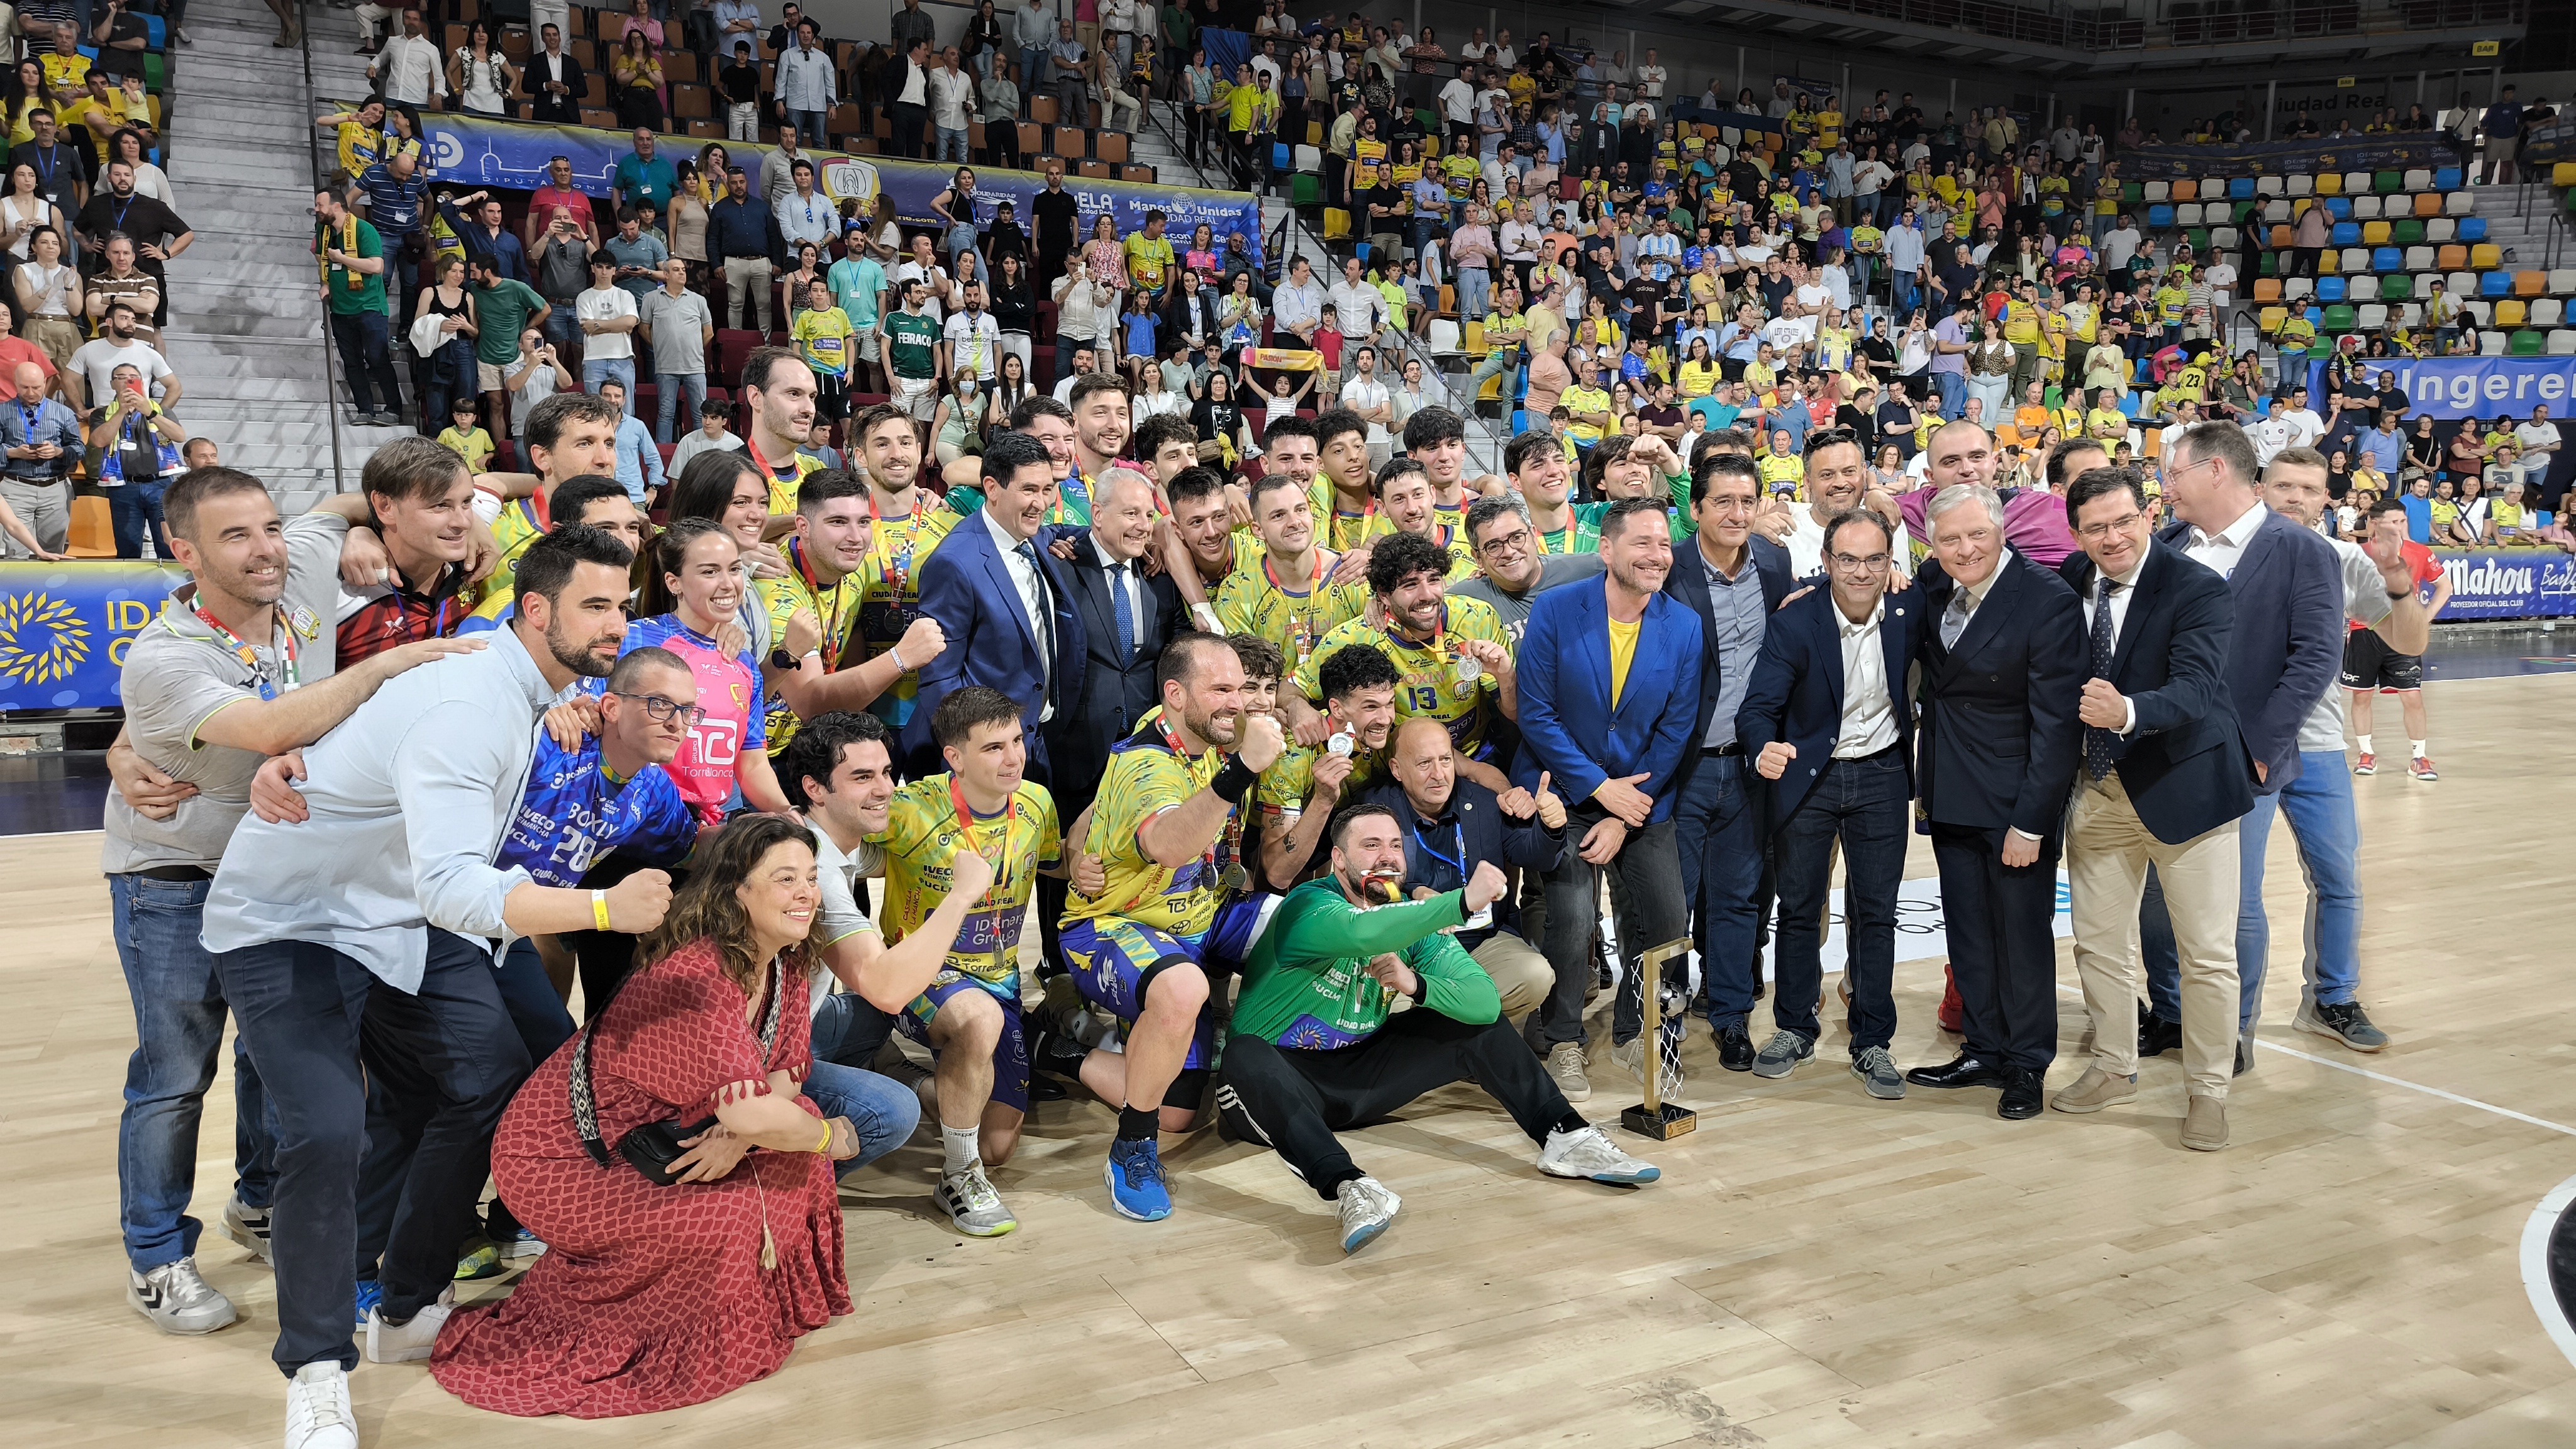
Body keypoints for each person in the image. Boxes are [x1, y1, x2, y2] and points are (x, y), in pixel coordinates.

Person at [203, 523, 669, 1448]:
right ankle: (316, 1369)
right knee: (329, 1130)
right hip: (292, 923)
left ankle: (407, 1307)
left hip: (397, 918)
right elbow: (455, 886)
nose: (620, 625)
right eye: (597, 606)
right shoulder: (473, 703)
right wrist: (606, 911)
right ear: (536, 610)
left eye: (623, 604)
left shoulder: (523, 685)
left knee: (489, 1083)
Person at [103, 469, 474, 1336]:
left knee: (278, 1060)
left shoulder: (298, 560)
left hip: (285, 878)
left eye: (269, 527)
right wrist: (394, 660)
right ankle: (157, 1257)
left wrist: (357, 531)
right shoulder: (163, 655)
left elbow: (354, 498)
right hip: (178, 878)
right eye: (236, 537)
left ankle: (260, 1203)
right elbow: (274, 730)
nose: (265, 547)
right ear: (184, 554)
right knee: (173, 1078)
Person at [424, 816, 850, 1418]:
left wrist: (739, 1138)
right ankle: (606, 1330)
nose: (807, 892)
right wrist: (828, 1136)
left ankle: (734, 1310)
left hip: (663, 1132)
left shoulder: (785, 959)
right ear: (737, 890)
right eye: (786, 879)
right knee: (732, 1209)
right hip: (563, 1157)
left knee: (792, 1153)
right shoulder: (698, 971)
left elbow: (785, 1075)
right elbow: (757, 1108)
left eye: (811, 877)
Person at [1213, 806, 1658, 1255]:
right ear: (1339, 860)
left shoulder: (1412, 918)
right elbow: (1363, 932)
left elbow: (1484, 1005)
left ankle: (1564, 1135)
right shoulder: (1306, 905)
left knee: (1475, 1025)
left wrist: (1417, 984)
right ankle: (1349, 1186)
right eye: (1371, 846)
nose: (1386, 856)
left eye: (1394, 846)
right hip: (1273, 1087)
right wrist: (1462, 902)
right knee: (1243, 1054)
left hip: (1360, 1074)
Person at [2051, 465, 2253, 1151]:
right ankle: (2112, 1067)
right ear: (2074, 533)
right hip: (2099, 792)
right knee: (2098, 945)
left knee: (2205, 954)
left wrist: (2128, 710)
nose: (2111, 538)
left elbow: (2196, 689)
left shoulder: (2196, 586)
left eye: (2122, 521)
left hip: (2185, 791)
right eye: (2095, 528)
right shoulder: (2066, 587)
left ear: (2147, 513)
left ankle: (2208, 1092)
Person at [2133, 423, 2343, 1076]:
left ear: (2216, 470)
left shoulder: (2299, 549)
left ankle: (2232, 1031)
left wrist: (2256, 751)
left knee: (2235, 902)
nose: (2166, 487)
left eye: (2175, 474)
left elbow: (2313, 660)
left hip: (2243, 758)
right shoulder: (2166, 544)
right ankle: (2170, 1014)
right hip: (2162, 750)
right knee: (2157, 902)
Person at [1060, 631, 1281, 1220]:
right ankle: (1131, 1143)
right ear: (1178, 694)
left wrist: (1076, 843)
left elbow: (1097, 805)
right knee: (1185, 997)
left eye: (1241, 688)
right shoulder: (1149, 762)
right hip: (1113, 924)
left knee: (1307, 917)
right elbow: (1168, 845)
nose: (1238, 702)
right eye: (1222, 689)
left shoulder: (1188, 728)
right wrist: (1241, 772)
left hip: (1199, 916)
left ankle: (1285, 1074)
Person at [1901, 484, 2085, 1119]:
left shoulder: (2047, 600)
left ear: (2001, 529)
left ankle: (2028, 1064)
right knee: (1970, 934)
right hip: (1950, 791)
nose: (1964, 549)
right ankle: (1983, 1048)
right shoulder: (1928, 585)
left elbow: (2057, 727)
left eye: (1976, 534)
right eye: (1948, 539)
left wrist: (2032, 822)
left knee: (2022, 938)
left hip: (2015, 802)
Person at [1513, 499, 1703, 1101]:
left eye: (1664, 545)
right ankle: (1564, 1040)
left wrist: (1627, 811)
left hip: (1645, 796)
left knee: (1668, 920)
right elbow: (1538, 716)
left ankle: (1637, 1032)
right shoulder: (1557, 610)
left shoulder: (1685, 625)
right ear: (1608, 549)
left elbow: (1677, 729)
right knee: (1570, 918)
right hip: (1565, 790)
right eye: (1642, 543)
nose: (1656, 555)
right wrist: (1599, 789)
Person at [1735, 506, 1921, 1099]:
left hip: (1883, 776)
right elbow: (1757, 708)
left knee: (1877, 913)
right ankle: (1794, 1028)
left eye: (1874, 560)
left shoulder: (1909, 609)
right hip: (1809, 778)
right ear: (1827, 562)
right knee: (1798, 908)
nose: (1861, 571)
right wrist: (1763, 747)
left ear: (1890, 563)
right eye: (1848, 560)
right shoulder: (1796, 621)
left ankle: (1873, 1041)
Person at [2259, 457, 2434, 1053]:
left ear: (2325, 500)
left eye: (2308, 490)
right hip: (2242, 747)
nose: (2294, 498)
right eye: (2283, 485)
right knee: (2232, 892)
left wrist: (2397, 581)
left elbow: (2409, 642)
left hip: (2319, 745)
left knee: (2339, 882)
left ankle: (2332, 1000)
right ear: (2260, 487)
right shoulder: (2229, 553)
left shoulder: (2344, 559)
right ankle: (2222, 1017)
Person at [1657, 453, 1793, 1070]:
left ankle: (1732, 1018)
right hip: (1682, 767)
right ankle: (1664, 1019)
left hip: (1748, 766)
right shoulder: (1669, 567)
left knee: (1739, 900)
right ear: (1696, 510)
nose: (1737, 514)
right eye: (1723, 502)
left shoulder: (1774, 561)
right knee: (1672, 903)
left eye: (1747, 502)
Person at [1358, 714, 1565, 1024]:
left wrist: (1552, 827)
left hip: (1480, 939)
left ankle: (1441, 1028)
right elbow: (1362, 880)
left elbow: (1532, 855)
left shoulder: (1482, 803)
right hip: (1411, 944)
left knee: (1536, 976)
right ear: (1397, 770)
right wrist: (1413, 893)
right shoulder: (1374, 811)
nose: (1439, 774)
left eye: (1445, 760)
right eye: (1424, 763)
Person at [906, 432, 1086, 779]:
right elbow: (939, 681)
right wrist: (972, 757)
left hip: (1035, 743)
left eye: (1047, 489)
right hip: (983, 759)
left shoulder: (1032, 535)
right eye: (1029, 490)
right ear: (991, 488)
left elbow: (1066, 530)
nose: (1042, 503)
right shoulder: (954, 563)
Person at [2343, 493, 2450, 781]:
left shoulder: (2420, 552)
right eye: (2393, 522)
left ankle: (2419, 757)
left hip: (2402, 635)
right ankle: (2366, 753)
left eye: (2403, 521)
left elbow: (2445, 587)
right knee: (2361, 696)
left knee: (2413, 697)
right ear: (2375, 525)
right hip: (2364, 633)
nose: (2400, 526)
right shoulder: (2358, 553)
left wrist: (2424, 618)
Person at [0, 356, 80, 555]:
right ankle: (16, 587)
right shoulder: (2, 412)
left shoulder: (63, 412)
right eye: (25, 387)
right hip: (16, 486)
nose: (31, 393)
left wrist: (58, 451)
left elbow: (79, 449)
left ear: (45, 382)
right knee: (16, 551)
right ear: (15, 383)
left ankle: (50, 588)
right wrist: (12, 453)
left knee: (52, 550)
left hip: (55, 486)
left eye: (36, 387)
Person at [640, 257, 713, 445]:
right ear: (665, 274)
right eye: (676, 270)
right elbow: (643, 328)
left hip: (694, 367)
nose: (682, 273)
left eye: (683, 270)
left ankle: (702, 453)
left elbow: (709, 332)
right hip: (666, 366)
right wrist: (660, 347)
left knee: (700, 414)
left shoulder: (698, 300)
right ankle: (663, 453)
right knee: (666, 414)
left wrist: (694, 348)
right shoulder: (651, 298)